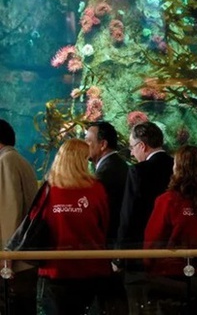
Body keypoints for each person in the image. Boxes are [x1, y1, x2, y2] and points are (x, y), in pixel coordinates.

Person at [144, 145, 197, 315]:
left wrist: (148, 267)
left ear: (178, 168)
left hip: (168, 275)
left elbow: (153, 240)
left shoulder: (167, 201)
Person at [34, 139, 111, 315]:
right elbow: (105, 225)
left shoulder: (48, 191)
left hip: (55, 269)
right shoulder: (96, 189)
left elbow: (35, 223)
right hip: (92, 267)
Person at [116, 121, 174, 314]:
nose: (132, 153)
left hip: (140, 251)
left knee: (139, 305)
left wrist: (120, 255)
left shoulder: (138, 171)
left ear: (142, 145)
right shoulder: (177, 167)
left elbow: (128, 215)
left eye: (132, 147)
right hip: (173, 250)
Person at [84, 121, 129, 314]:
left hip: (110, 249)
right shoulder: (116, 165)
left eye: (88, 141)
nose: (85, 145)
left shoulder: (107, 172)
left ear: (103, 144)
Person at [0, 119, 38, 315]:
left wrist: (7, 256)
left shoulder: (5, 161)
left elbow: (9, 211)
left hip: (14, 261)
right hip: (25, 257)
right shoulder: (21, 161)